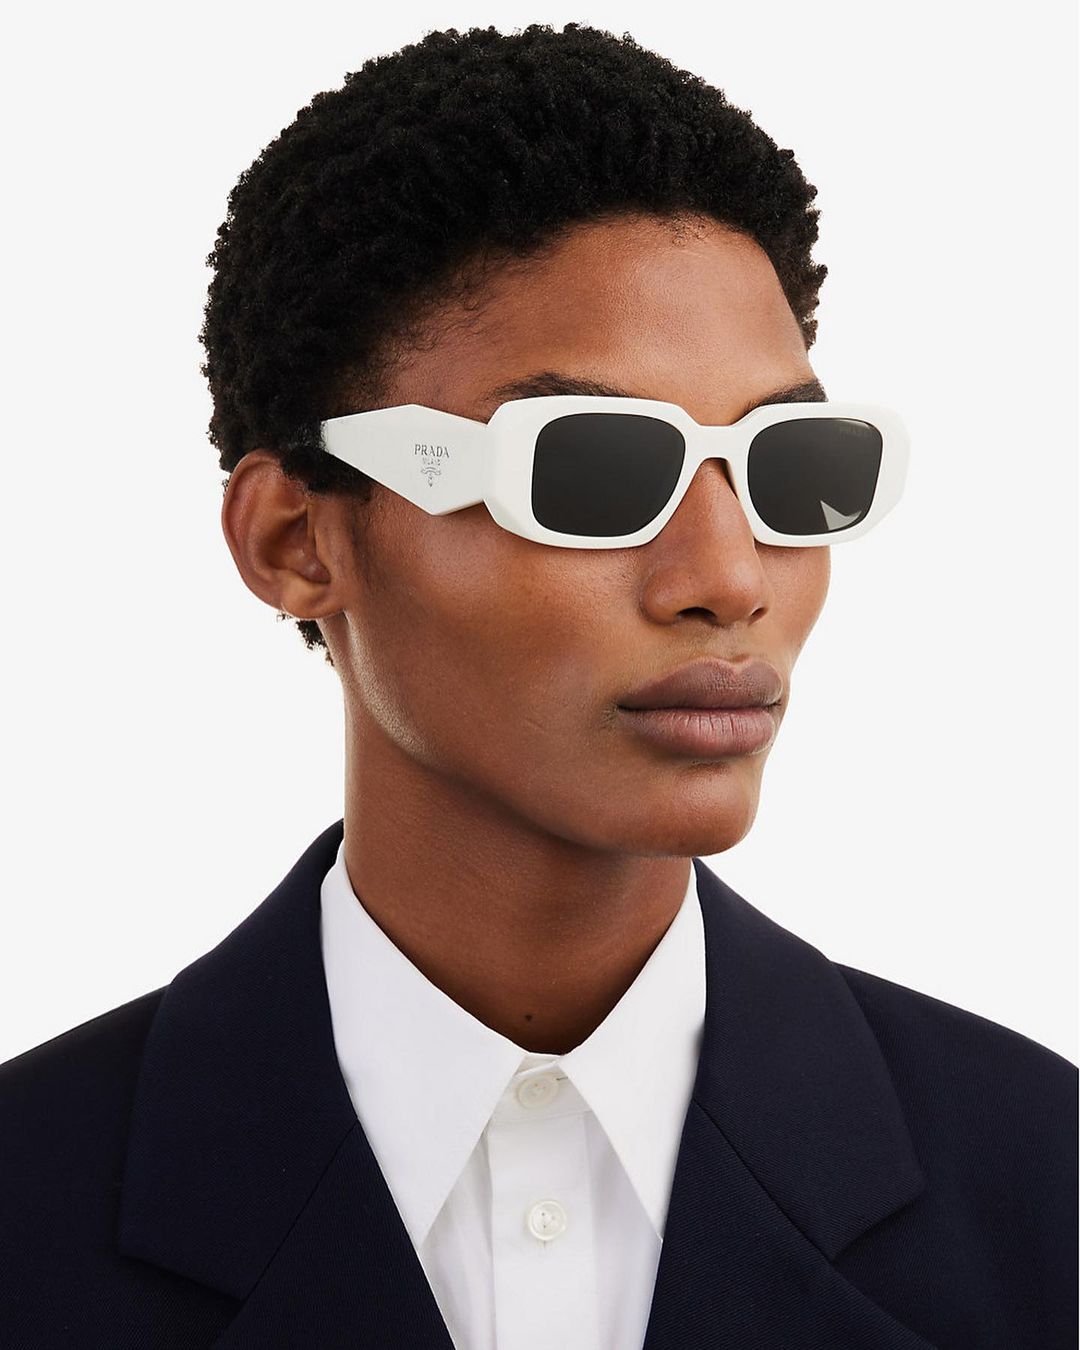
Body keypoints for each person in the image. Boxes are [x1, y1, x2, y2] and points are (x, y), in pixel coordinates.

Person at [0, 21, 1074, 1350]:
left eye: (792, 467)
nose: (727, 575)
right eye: (591, 469)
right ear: (297, 541)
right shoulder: (26, 1208)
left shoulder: (1046, 1187)